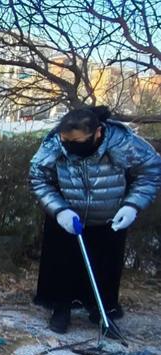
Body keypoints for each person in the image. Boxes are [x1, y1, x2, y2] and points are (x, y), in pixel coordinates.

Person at [30, 106, 161, 335]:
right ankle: (61, 308)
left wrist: (132, 205)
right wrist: (59, 210)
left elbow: (150, 172)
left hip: (109, 215)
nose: (71, 145)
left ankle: (102, 310)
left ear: (97, 133)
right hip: (68, 215)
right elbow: (38, 176)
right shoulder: (54, 142)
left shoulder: (122, 142)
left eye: (78, 141)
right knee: (62, 263)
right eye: (67, 140)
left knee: (106, 265)